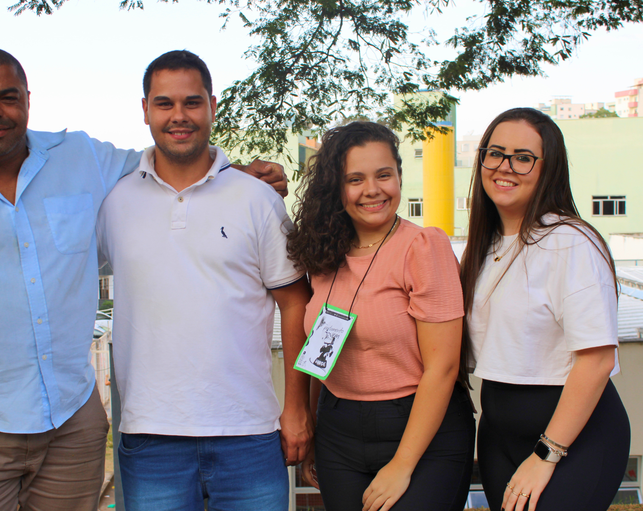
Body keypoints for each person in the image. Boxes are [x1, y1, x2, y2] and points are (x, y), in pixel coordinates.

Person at [0, 45, 286, 511]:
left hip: (71, 426)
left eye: (7, 97)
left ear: (28, 100)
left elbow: (175, 163)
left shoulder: (81, 158)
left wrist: (240, 175)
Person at [96, 50, 313, 511]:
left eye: (192, 102)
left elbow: (296, 302)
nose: (179, 115)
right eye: (164, 103)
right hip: (150, 436)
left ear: (212, 107)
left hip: (249, 432)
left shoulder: (256, 198)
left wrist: (297, 407)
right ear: (145, 110)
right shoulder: (114, 200)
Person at [287, 121, 475, 511]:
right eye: (355, 179)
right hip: (338, 430)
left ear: (399, 178)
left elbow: (443, 367)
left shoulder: (423, 247)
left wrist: (402, 465)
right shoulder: (323, 254)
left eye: (383, 175)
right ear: (336, 189)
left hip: (420, 429)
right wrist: (316, 431)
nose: (372, 190)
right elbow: (322, 352)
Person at [460, 107, 630, 511]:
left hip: (572, 435)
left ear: (548, 168)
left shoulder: (570, 241)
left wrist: (546, 454)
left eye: (523, 157)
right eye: (495, 153)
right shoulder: (483, 246)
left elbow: (597, 360)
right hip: (498, 431)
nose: (505, 166)